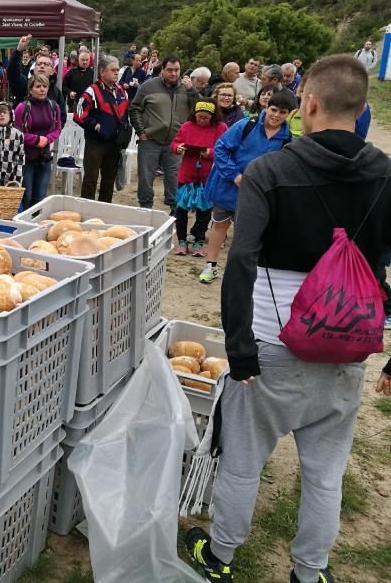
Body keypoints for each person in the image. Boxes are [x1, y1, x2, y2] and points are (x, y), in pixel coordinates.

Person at [187, 54, 391, 583]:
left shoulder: (270, 171)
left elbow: (241, 260)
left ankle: (222, 556)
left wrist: (239, 350)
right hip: (349, 337)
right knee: (325, 473)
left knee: (243, 459)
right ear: (362, 108)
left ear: (309, 103)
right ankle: (310, 570)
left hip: (271, 339)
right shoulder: (386, 175)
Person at [198, 89, 294, 283]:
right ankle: (211, 265)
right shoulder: (246, 125)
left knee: (248, 232)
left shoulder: (286, 138)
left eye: (283, 112)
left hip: (257, 193)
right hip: (228, 186)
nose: (276, 115)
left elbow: (282, 166)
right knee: (219, 225)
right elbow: (221, 148)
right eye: (274, 109)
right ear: (266, 106)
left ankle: (239, 272)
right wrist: (234, 175)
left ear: (290, 114)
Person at [129, 55, 191, 211]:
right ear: (162, 70)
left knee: (174, 176)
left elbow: (198, 109)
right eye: (169, 70)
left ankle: (174, 210)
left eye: (177, 70)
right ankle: (145, 207)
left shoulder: (186, 88)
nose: (173, 74)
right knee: (146, 175)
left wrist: (193, 90)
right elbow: (134, 108)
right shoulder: (148, 86)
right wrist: (141, 132)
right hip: (150, 139)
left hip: (175, 142)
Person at [170, 101, 227, 256]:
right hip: (187, 174)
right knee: (181, 210)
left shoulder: (220, 128)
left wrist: (210, 153)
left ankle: (199, 241)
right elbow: (175, 143)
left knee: (205, 212)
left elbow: (225, 149)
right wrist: (178, 148)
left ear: (212, 116)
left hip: (208, 176)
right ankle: (181, 240)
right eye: (199, 117)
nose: (201, 120)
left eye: (205, 118)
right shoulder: (187, 126)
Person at [75, 54, 130, 203]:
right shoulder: (92, 90)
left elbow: (125, 113)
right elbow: (79, 114)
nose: (116, 73)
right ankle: (87, 210)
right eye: (112, 70)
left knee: (109, 180)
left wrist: (125, 128)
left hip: (115, 143)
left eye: (117, 70)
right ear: (102, 72)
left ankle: (105, 209)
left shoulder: (121, 91)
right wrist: (95, 125)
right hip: (96, 143)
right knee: (91, 179)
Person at [15, 74, 62, 210]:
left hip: (44, 157)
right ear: (30, 89)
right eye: (38, 86)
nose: (42, 89)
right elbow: (17, 133)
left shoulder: (54, 107)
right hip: (26, 159)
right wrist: (36, 139)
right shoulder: (22, 108)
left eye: (45, 86)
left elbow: (57, 128)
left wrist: (47, 139)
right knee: (27, 196)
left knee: (40, 197)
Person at [0, 102, 24, 185]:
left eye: (5, 113)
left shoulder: (17, 134)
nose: (2, 115)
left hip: (9, 179)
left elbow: (20, 158)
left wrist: (17, 180)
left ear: (11, 115)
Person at [64, 49, 95, 114]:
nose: (85, 62)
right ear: (78, 60)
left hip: (89, 104)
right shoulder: (71, 72)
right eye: (83, 60)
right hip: (73, 104)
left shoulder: (93, 73)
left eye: (87, 60)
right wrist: (70, 92)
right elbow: (64, 86)